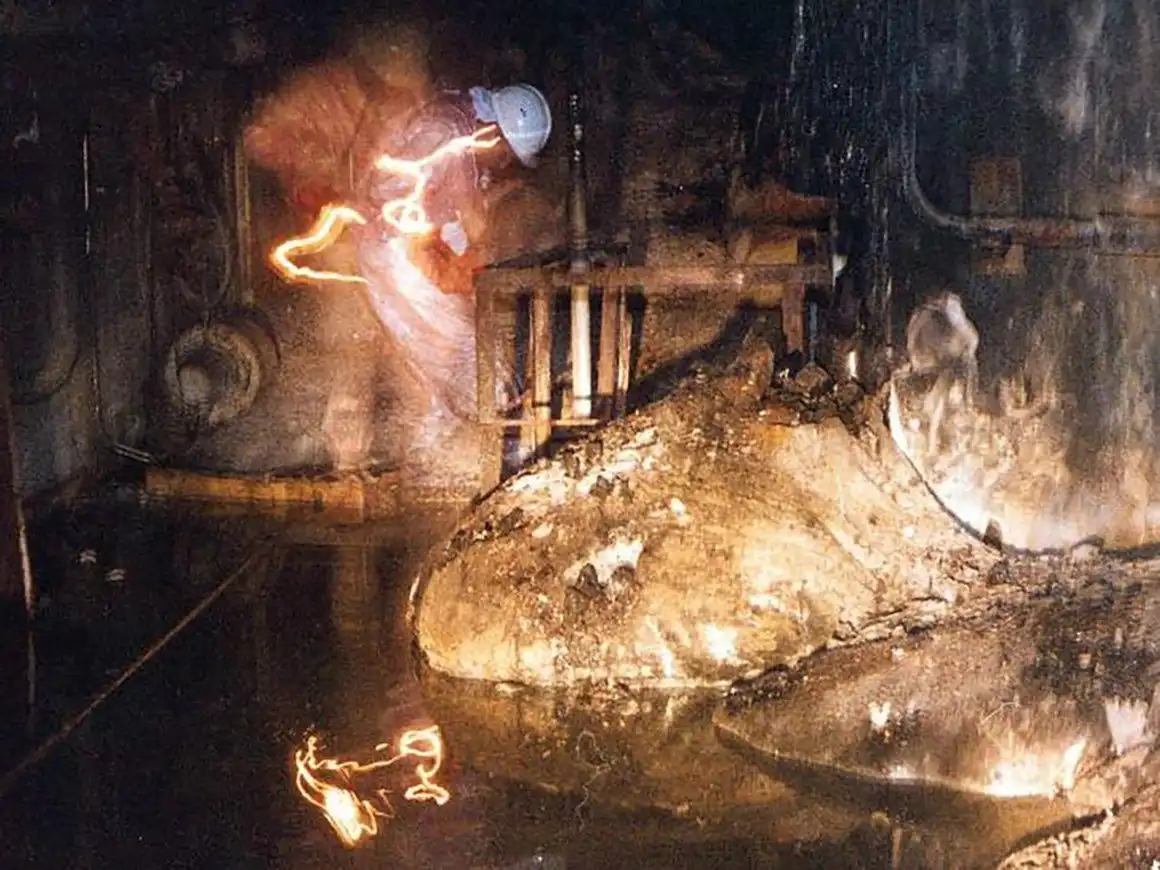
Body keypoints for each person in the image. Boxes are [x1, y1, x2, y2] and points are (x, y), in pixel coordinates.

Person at [351, 83, 552, 477]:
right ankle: (498, 447)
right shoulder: (446, 132)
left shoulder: (460, 127)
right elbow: (399, 198)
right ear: (496, 131)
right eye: (506, 153)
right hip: (397, 252)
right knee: (461, 346)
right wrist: (449, 250)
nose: (503, 161)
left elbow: (460, 208)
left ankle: (435, 451)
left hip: (409, 246)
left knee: (444, 354)